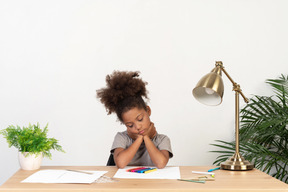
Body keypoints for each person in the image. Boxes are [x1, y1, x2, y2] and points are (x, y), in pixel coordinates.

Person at [97, 71, 173, 169]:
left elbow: (161, 163)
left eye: (140, 119)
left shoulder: (162, 140)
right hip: (125, 183)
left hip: (152, 183)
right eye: (130, 125)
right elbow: (120, 164)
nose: (137, 127)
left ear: (148, 111)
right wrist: (140, 138)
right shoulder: (122, 138)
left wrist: (146, 138)